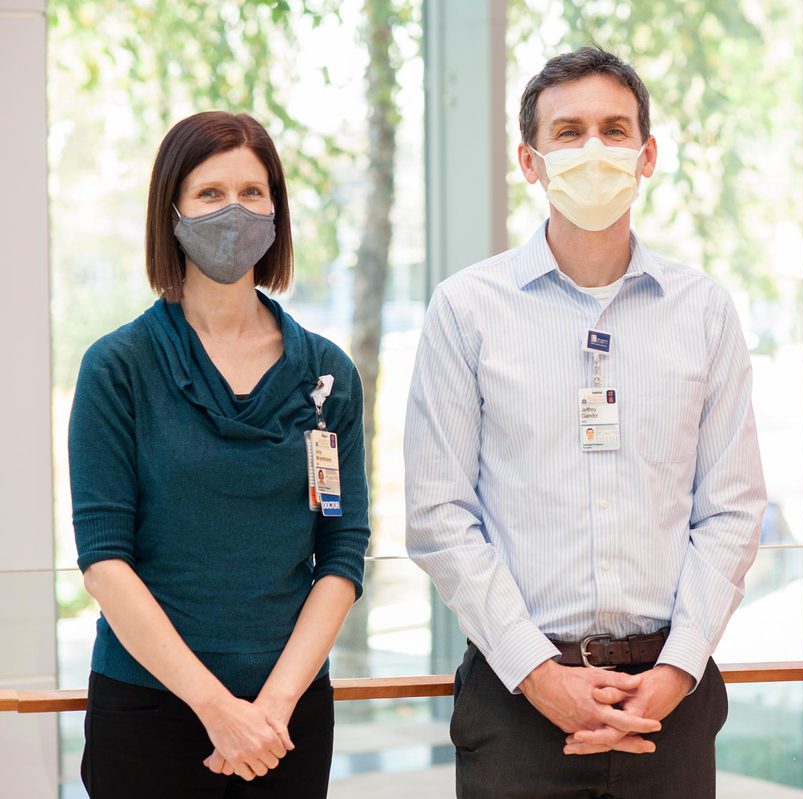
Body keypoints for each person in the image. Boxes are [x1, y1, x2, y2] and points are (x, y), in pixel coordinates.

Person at [405, 46, 766, 799]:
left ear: (647, 154)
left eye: (614, 128)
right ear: (530, 161)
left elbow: (731, 507)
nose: (593, 149)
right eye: (567, 132)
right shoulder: (466, 310)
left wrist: (676, 667)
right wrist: (539, 674)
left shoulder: (703, 310)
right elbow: (439, 514)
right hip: (516, 703)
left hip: (670, 699)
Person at [69, 111, 370, 798]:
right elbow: (104, 560)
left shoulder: (328, 375)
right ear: (170, 209)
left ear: (277, 210)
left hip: (286, 718)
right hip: (148, 713)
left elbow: (343, 549)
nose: (234, 211)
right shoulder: (119, 368)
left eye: (253, 192)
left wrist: (270, 709)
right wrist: (218, 710)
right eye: (209, 194)